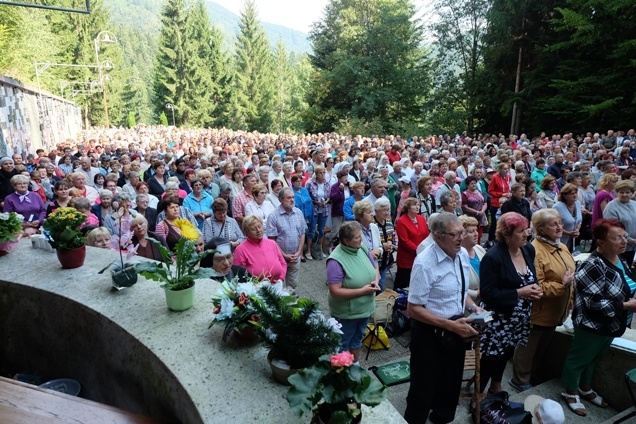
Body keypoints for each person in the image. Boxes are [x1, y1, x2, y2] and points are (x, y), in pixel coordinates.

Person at [405, 213, 481, 424]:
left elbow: (459, 290)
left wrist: (473, 308)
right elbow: (413, 308)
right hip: (430, 333)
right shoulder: (424, 263)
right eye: (455, 234)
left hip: (456, 329)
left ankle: (442, 418)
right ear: (438, 237)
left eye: (462, 232)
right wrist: (449, 325)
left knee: (450, 383)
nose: (460, 237)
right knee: (423, 386)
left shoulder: (462, 255)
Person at [561, 219, 636, 417]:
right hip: (591, 325)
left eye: (624, 236)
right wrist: (627, 305)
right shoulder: (593, 264)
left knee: (594, 357)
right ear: (600, 242)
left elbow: (626, 284)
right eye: (617, 238)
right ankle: (570, 391)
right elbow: (591, 303)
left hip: (612, 324)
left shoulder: (620, 258)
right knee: (579, 359)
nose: (623, 241)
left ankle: (585, 387)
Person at [510, 209, 575, 392]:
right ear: (541, 229)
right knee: (527, 349)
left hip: (556, 311)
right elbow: (537, 286)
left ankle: (532, 375)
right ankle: (519, 379)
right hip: (538, 312)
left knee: (542, 348)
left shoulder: (561, 246)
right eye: (554, 224)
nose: (560, 227)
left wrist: (569, 299)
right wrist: (562, 286)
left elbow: (571, 276)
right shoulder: (534, 251)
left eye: (560, 222)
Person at [479, 212, 542, 396]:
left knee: (506, 353)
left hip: (519, 318)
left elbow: (531, 278)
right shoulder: (493, 257)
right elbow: (488, 294)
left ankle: (496, 384)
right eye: (521, 231)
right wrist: (519, 293)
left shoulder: (528, 249)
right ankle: (479, 392)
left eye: (526, 230)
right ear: (506, 235)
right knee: (491, 358)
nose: (526, 234)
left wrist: (536, 289)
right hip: (499, 320)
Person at [326, 221, 380, 364]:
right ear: (346, 241)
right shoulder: (335, 261)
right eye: (357, 237)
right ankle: (340, 374)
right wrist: (362, 291)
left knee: (357, 341)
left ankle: (354, 369)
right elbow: (335, 291)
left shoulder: (361, 248)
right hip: (347, 314)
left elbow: (375, 267)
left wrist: (375, 280)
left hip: (365, 309)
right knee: (342, 344)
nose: (361, 239)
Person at [265, 187, 306, 288]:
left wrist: (298, 252)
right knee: (277, 285)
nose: (292, 200)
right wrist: (283, 255)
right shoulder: (273, 216)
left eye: (293, 197)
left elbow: (302, 234)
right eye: (288, 198)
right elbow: (272, 240)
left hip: (295, 257)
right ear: (281, 199)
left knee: (292, 286)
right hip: (279, 258)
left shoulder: (298, 213)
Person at [233, 214, 287, 282]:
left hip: (277, 284)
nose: (258, 230)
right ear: (246, 232)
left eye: (259, 226)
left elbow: (283, 263)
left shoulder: (272, 243)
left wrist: (281, 279)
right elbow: (238, 274)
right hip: (255, 289)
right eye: (254, 229)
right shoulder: (240, 250)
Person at [394, 198, 430, 289]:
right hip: (407, 259)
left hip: (421, 257)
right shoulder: (401, 221)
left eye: (418, 205)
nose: (417, 207)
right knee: (403, 284)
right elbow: (405, 241)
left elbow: (427, 235)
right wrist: (420, 250)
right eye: (414, 205)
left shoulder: (421, 219)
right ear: (408, 207)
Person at [603, 180, 636, 265]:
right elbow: (613, 227)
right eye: (621, 192)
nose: (624, 194)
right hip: (618, 246)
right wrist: (630, 240)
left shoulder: (634, 204)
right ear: (617, 193)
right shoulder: (611, 207)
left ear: (632, 193)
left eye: (627, 192)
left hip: (633, 247)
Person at [460, 215, 486, 304]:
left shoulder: (479, 249)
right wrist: (476, 293)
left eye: (476, 230)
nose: (476, 234)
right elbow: (456, 287)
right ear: (462, 235)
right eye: (472, 231)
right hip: (468, 306)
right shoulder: (456, 256)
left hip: (486, 300)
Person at [373, 198, 396, 292]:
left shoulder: (390, 224)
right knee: (375, 287)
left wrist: (391, 245)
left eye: (388, 210)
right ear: (376, 211)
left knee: (381, 285)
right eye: (384, 210)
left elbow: (393, 239)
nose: (387, 212)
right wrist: (383, 246)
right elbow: (370, 245)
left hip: (385, 262)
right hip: (375, 263)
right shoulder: (372, 225)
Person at [487, 162, 512, 242]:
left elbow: (508, 188)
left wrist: (509, 194)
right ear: (500, 170)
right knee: (495, 223)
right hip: (496, 203)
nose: (506, 170)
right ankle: (491, 240)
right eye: (504, 169)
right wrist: (501, 194)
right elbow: (490, 191)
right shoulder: (495, 177)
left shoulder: (508, 177)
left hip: (506, 202)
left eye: (507, 169)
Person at [553, 183, 582, 251]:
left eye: (576, 193)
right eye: (572, 194)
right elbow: (554, 225)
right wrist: (568, 233)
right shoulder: (557, 207)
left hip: (572, 240)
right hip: (560, 239)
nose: (575, 195)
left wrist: (577, 229)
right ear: (565, 195)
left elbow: (579, 220)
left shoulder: (577, 203)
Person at [291, 174, 315, 260]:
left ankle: (308, 250)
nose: (299, 183)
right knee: (300, 233)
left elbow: (308, 200)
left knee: (309, 232)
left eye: (300, 181)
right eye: (297, 181)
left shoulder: (304, 190)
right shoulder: (291, 191)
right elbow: (297, 202)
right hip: (298, 215)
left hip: (308, 214)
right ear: (293, 183)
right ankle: (300, 253)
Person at [461, 176, 488, 241]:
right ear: (467, 185)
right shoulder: (465, 194)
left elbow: (485, 203)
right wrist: (476, 212)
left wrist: (482, 211)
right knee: (471, 235)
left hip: (481, 216)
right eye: (472, 183)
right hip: (470, 217)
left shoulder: (479, 192)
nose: (474, 185)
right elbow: (464, 207)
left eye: (475, 183)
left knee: (479, 234)